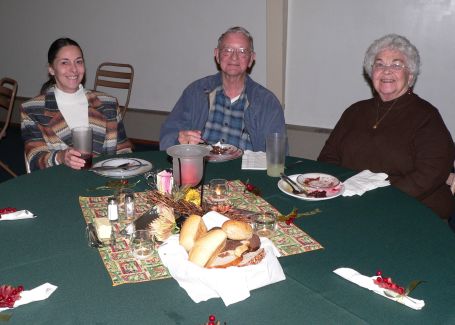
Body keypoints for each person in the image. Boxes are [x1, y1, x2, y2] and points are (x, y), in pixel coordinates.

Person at [318, 34, 455, 220]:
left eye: (396, 65)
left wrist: (381, 197)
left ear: (411, 75)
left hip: (409, 210)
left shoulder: (426, 116)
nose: (387, 71)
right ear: (371, 72)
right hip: (350, 202)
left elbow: (430, 173)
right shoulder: (355, 111)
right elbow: (328, 157)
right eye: (379, 64)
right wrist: (334, 189)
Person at [159, 26, 286, 151]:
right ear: (217, 55)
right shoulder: (196, 92)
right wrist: (179, 142)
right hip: (201, 168)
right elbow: (168, 137)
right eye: (227, 50)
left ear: (251, 59)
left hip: (245, 171)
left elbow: (278, 154)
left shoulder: (267, 103)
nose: (234, 57)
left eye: (242, 51)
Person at [21, 38, 132, 171]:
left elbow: (123, 150)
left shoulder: (109, 104)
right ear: (51, 69)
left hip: (105, 184)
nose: (73, 69)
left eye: (78, 62)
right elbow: (34, 160)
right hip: (58, 185)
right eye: (64, 63)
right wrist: (61, 157)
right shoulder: (33, 110)